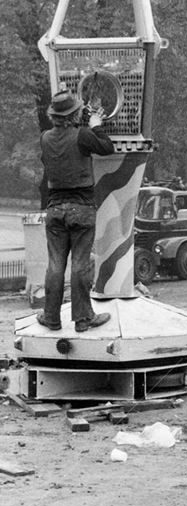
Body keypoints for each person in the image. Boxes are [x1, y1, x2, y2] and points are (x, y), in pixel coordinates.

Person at [37, 90, 114, 333]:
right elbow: (107, 147)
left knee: (55, 265)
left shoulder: (45, 138)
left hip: (55, 209)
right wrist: (96, 125)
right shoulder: (83, 135)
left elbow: (52, 157)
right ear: (74, 114)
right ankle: (83, 319)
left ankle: (51, 317)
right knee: (80, 264)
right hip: (81, 208)